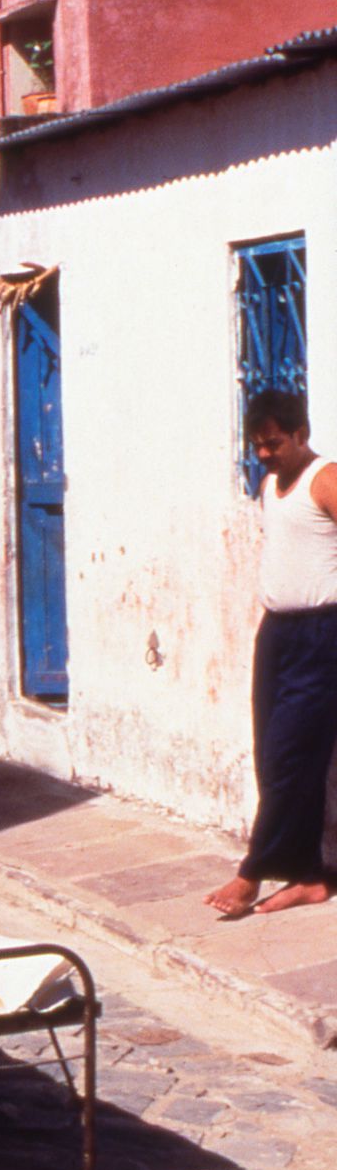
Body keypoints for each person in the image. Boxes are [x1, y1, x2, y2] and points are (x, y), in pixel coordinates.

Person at [204, 391, 337, 920]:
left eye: (274, 443)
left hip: (322, 634)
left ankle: (250, 874)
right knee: (273, 755)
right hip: (277, 635)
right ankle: (306, 876)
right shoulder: (268, 485)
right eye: (257, 444)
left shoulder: (324, 479)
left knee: (289, 755)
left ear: (301, 435)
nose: (264, 453)